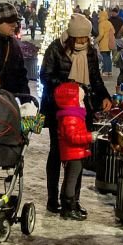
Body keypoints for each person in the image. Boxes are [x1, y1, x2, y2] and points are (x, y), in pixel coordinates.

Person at [40, 13, 110, 214]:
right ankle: (52, 198)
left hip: (82, 108)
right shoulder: (56, 48)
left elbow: (95, 77)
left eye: (86, 38)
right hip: (58, 109)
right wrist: (69, 88)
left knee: (77, 153)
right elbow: (45, 76)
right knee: (56, 153)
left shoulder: (90, 50)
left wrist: (104, 96)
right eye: (80, 38)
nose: (84, 41)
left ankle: (72, 199)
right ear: (71, 36)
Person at [52, 81, 93, 220]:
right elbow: (73, 137)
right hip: (73, 153)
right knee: (71, 181)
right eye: (81, 100)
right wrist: (89, 137)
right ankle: (68, 207)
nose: (83, 103)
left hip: (76, 152)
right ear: (73, 100)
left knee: (71, 179)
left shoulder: (74, 114)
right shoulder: (71, 117)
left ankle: (69, 206)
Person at [97, 9, 116, 74]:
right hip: (109, 42)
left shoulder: (101, 23)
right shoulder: (109, 22)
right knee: (108, 57)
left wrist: (95, 41)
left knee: (104, 57)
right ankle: (109, 71)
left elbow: (101, 34)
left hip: (103, 43)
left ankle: (105, 71)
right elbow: (113, 31)